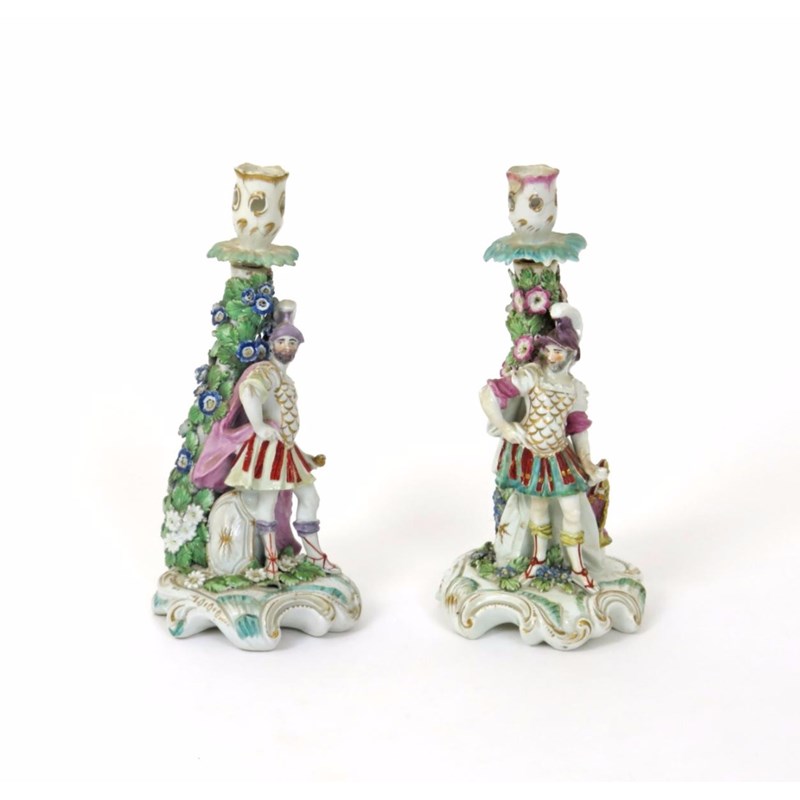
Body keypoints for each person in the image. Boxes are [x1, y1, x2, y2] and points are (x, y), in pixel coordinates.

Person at [193, 300, 338, 578]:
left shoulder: (284, 378)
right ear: (272, 344)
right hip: (268, 451)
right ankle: (271, 561)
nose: (287, 347)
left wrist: (305, 457)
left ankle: (314, 555)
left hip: (285, 449)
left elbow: (285, 425)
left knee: (310, 497)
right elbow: (249, 390)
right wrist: (258, 425)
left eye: (292, 343)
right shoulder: (267, 372)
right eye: (282, 341)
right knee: (267, 502)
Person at [479, 303, 607, 590]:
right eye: (548, 350)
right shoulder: (532, 375)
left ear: (571, 353)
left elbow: (577, 427)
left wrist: (586, 462)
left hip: (559, 455)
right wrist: (504, 427)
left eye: (558, 351)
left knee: (572, 511)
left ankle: (578, 568)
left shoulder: (575, 388)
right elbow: (488, 393)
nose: (551, 356)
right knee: (538, 508)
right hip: (532, 454)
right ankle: (537, 559)